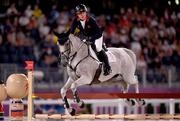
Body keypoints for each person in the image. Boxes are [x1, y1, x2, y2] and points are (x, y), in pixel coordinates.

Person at [66, 4, 111, 76]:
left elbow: (99, 33)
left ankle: (108, 67)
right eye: (79, 13)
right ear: (77, 14)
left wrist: (90, 39)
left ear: (86, 12)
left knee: (98, 49)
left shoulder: (91, 20)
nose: (82, 15)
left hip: (97, 37)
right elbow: (71, 32)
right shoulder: (76, 21)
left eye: (83, 12)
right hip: (86, 37)